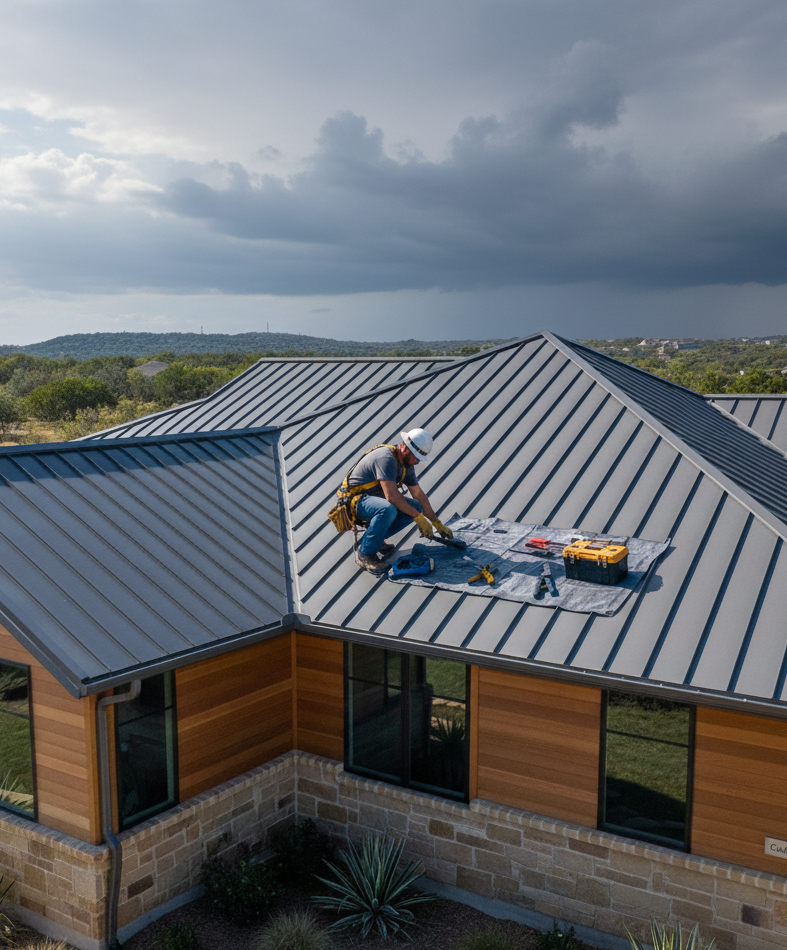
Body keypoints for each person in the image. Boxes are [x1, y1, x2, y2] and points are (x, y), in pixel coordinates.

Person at [339, 428, 453, 572]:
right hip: (353, 503)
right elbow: (391, 496)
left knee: (416, 506)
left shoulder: (406, 465)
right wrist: (418, 518)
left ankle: (375, 540)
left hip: (373, 501)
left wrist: (436, 522)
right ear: (404, 447)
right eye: (415, 457)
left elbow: (418, 494)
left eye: (418, 459)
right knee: (388, 509)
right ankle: (365, 554)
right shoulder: (386, 459)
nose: (416, 462)